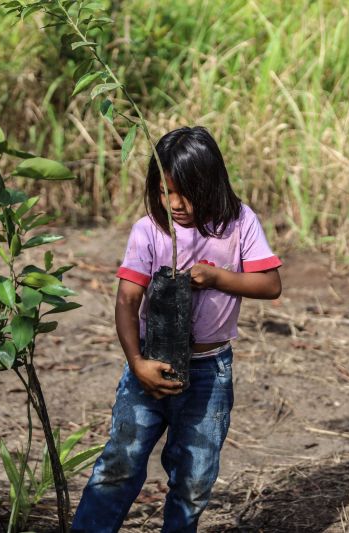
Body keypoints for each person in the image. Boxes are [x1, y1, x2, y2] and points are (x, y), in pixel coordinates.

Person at [71, 126, 282, 532]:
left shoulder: (239, 221)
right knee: (119, 465)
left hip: (209, 371)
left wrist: (219, 278)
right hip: (150, 364)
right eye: (165, 192)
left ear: (210, 185)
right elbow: (127, 300)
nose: (175, 204)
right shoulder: (149, 229)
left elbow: (270, 285)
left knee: (194, 479)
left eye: (186, 193)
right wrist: (137, 363)